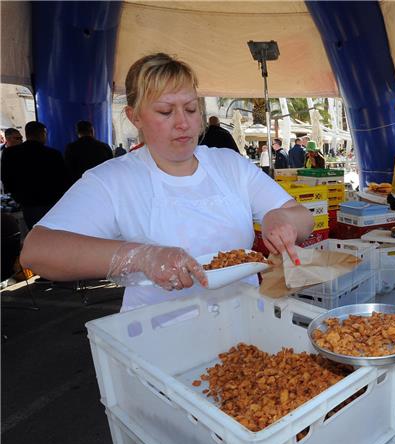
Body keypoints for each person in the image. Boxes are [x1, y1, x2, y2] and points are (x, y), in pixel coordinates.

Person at [20, 52, 313, 311]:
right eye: (165, 111)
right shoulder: (113, 179)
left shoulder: (229, 164)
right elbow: (38, 251)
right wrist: (141, 256)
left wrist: (280, 219)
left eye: (190, 108)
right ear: (134, 117)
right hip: (156, 335)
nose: (183, 123)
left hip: (245, 321)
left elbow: (303, 218)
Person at [1, 121, 69, 228]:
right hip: (51, 202)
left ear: (27, 134)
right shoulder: (53, 154)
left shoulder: (10, 153)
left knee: (34, 231)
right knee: (55, 231)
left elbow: (6, 178)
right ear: (42, 134)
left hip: (27, 202)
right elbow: (64, 180)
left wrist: (17, 197)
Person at [64, 120, 114, 186]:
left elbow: (68, 171)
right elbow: (110, 167)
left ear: (78, 132)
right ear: (92, 131)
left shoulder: (71, 148)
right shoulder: (104, 147)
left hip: (79, 186)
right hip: (101, 185)